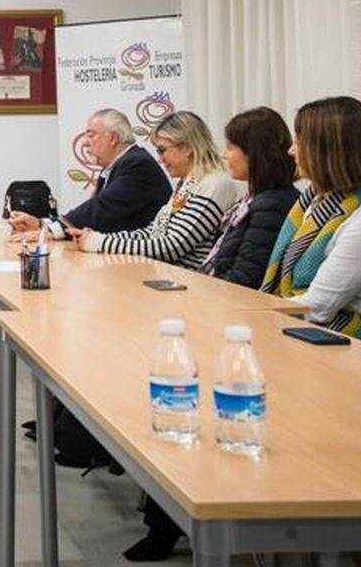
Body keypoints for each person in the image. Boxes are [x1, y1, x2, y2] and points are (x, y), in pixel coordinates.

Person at [123, 106, 300, 562]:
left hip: (240, 327)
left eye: (234, 147)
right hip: (215, 309)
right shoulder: (251, 198)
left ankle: (167, 520)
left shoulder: (266, 201)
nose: (225, 155)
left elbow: (234, 277)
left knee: (177, 397)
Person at [261, 95, 361, 337]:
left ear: (329, 152)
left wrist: (248, 313)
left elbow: (316, 308)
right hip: (295, 328)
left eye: (300, 142)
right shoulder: (315, 202)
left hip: (336, 342)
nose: (291, 150)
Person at [65, 110, 242, 269]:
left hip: (191, 283)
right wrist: (98, 238)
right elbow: (153, 232)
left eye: (163, 150)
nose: (161, 159)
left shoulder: (215, 184)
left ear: (187, 147)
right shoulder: (188, 183)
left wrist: (101, 243)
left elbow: (172, 247)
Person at [7, 108, 170, 238]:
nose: (85, 142)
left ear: (113, 138)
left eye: (91, 135)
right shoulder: (119, 164)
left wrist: (47, 230)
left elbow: (100, 210)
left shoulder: (137, 165)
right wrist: (41, 224)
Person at [199, 106, 303, 288]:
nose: (225, 155)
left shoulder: (273, 206)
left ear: (254, 152)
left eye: (230, 148)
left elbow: (245, 279)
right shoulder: (255, 198)